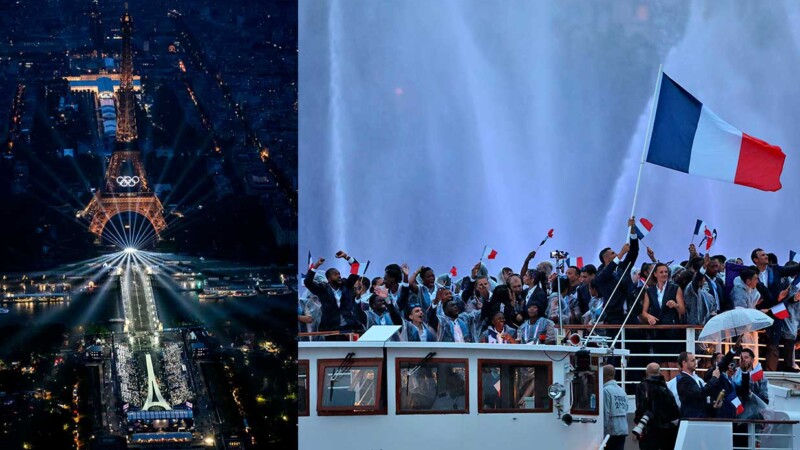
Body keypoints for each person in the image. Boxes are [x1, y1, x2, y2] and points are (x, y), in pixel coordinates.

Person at [750, 248, 800, 371]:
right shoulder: (751, 272)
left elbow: (793, 269)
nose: (766, 256)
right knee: (756, 340)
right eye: (762, 255)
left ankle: (771, 372)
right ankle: (755, 369)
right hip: (756, 311)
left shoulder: (776, 269)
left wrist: (787, 298)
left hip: (776, 309)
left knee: (774, 342)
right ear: (756, 260)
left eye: (766, 254)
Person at [303, 256, 361, 337]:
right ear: (329, 279)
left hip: (348, 328)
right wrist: (316, 265)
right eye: (335, 274)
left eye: (339, 274)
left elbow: (356, 267)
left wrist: (346, 256)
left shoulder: (346, 285)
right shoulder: (322, 289)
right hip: (330, 329)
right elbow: (307, 282)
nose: (339, 276)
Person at [596, 217, 640, 324]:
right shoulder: (600, 274)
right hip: (614, 316)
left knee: (635, 339)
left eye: (616, 253)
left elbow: (633, 252)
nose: (616, 254)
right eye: (612, 254)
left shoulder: (623, 268)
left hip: (631, 312)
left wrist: (632, 232)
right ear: (605, 259)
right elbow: (607, 273)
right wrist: (621, 253)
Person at [633, 363, 680, 450]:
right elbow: (675, 412)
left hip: (649, 430)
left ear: (646, 372)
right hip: (666, 432)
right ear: (660, 373)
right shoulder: (666, 390)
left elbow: (641, 408)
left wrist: (639, 425)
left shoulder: (642, 387)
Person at [676, 352, 719, 418]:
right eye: (693, 361)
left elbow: (700, 400)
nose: (696, 363)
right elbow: (699, 393)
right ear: (684, 363)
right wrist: (714, 378)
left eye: (695, 360)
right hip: (691, 420)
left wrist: (712, 406)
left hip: (698, 419)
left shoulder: (695, 379)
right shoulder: (683, 380)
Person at [602, 364, 628, 450]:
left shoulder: (605, 391)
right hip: (622, 429)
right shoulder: (621, 390)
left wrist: (602, 433)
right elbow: (626, 408)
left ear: (604, 375)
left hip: (611, 430)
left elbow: (605, 412)